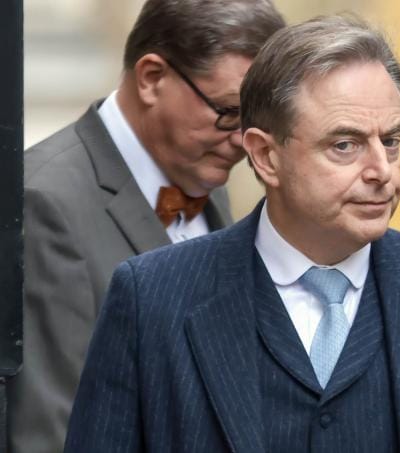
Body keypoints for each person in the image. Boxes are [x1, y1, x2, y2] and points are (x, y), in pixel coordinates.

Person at [65, 15, 400, 452]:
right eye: (345, 144)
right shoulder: (151, 298)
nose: (381, 170)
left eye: (390, 141)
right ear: (265, 156)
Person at [8, 1, 285, 452]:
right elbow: (53, 433)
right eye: (229, 112)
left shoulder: (205, 177)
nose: (242, 142)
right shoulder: (45, 203)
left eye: (256, 121)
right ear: (152, 78)